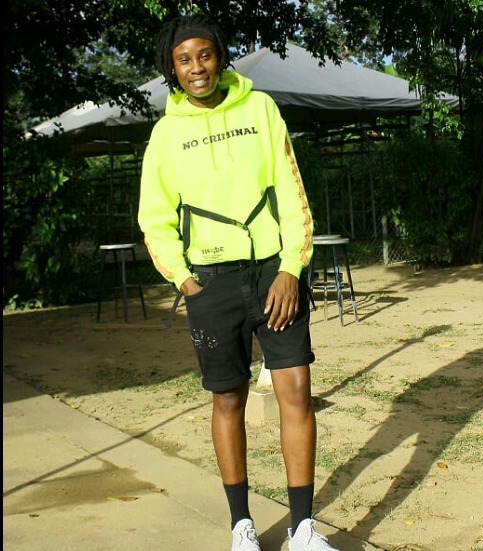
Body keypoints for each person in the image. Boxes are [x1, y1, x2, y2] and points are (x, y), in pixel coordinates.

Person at [138, 13, 339, 551]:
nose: (196, 67)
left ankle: (302, 529)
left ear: (219, 56)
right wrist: (185, 281)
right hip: (211, 284)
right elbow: (154, 218)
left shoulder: (260, 108)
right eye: (184, 60)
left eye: (204, 55)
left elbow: (292, 194)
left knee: (295, 391)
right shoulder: (165, 135)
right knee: (228, 400)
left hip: (274, 274)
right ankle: (241, 526)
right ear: (172, 69)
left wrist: (291, 269)